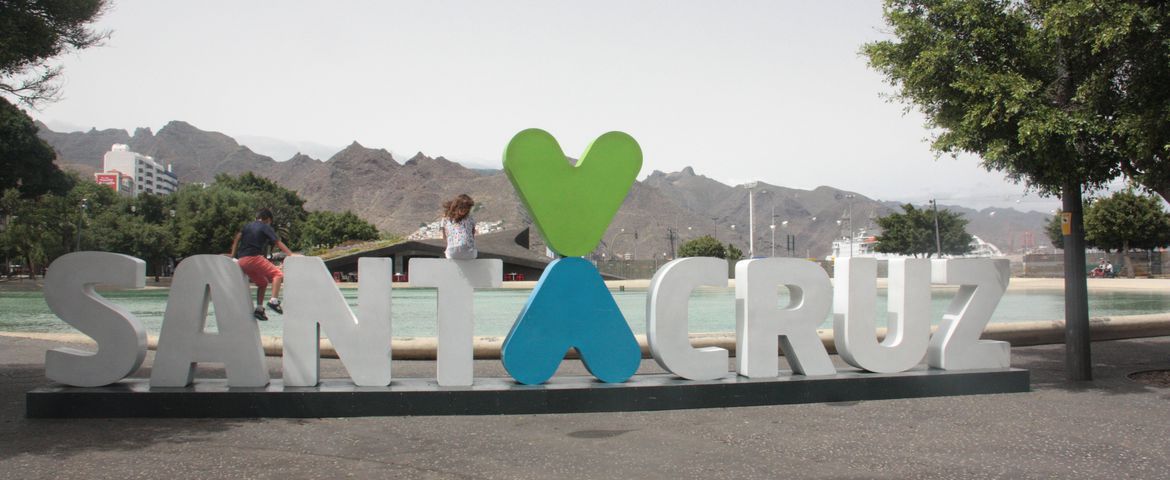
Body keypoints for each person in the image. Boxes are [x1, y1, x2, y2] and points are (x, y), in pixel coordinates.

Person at [230, 208, 296, 321]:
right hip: (254, 258)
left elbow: (237, 238)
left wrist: (232, 255)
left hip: (242, 261)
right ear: (268, 219)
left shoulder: (247, 226)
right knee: (278, 275)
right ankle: (273, 301)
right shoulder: (265, 226)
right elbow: (277, 242)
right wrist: (291, 254)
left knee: (262, 283)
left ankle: (259, 309)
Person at [441, 194, 477, 259]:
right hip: (469, 252)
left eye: (467, 208)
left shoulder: (446, 219)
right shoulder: (470, 219)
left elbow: (444, 236)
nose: (464, 209)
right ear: (456, 206)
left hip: (453, 252)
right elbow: (472, 233)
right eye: (462, 207)